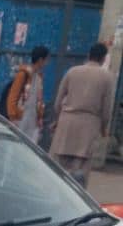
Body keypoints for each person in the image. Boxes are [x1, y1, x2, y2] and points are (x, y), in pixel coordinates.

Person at [49, 42, 114, 188]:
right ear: (103, 59)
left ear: (88, 55)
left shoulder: (72, 71)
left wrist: (58, 119)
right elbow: (106, 109)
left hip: (66, 124)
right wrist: (104, 128)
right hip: (89, 127)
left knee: (57, 169)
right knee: (79, 174)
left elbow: (58, 101)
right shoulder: (106, 77)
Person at [6, 45, 50, 144]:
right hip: (21, 118)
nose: (47, 63)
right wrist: (12, 117)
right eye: (46, 60)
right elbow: (13, 95)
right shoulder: (23, 74)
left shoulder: (39, 76)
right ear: (40, 60)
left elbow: (38, 99)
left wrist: (39, 116)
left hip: (32, 119)